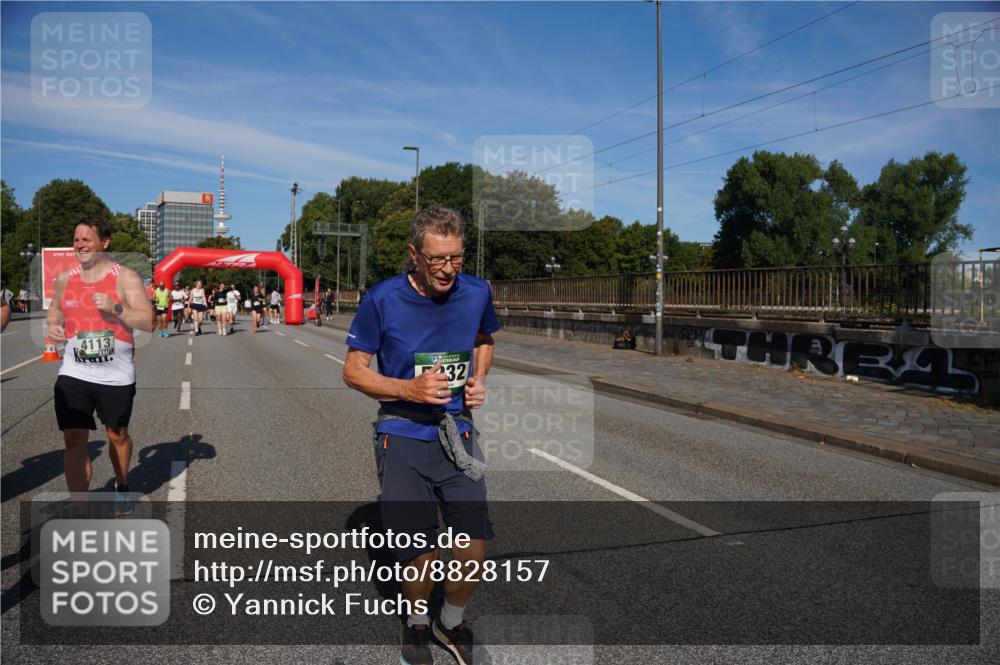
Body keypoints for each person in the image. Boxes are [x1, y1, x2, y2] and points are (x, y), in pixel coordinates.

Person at [343, 205, 498, 665]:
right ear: (414, 255)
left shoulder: (476, 292)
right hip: (402, 430)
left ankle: (449, 621)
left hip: (457, 432)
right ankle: (415, 623)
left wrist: (479, 378)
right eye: (437, 260)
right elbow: (353, 372)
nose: (449, 269)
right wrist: (408, 387)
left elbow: (484, 340)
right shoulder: (382, 298)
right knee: (420, 551)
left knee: (474, 544)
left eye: (457, 258)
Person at [46, 216, 155, 515]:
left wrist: (115, 307)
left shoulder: (125, 277)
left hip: (115, 374)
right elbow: (55, 308)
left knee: (116, 435)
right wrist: (54, 325)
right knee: (74, 437)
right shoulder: (66, 278)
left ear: (104, 243)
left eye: (86, 239)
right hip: (74, 370)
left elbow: (149, 321)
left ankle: (121, 484)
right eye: (76, 239)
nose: (79, 244)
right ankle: (80, 506)